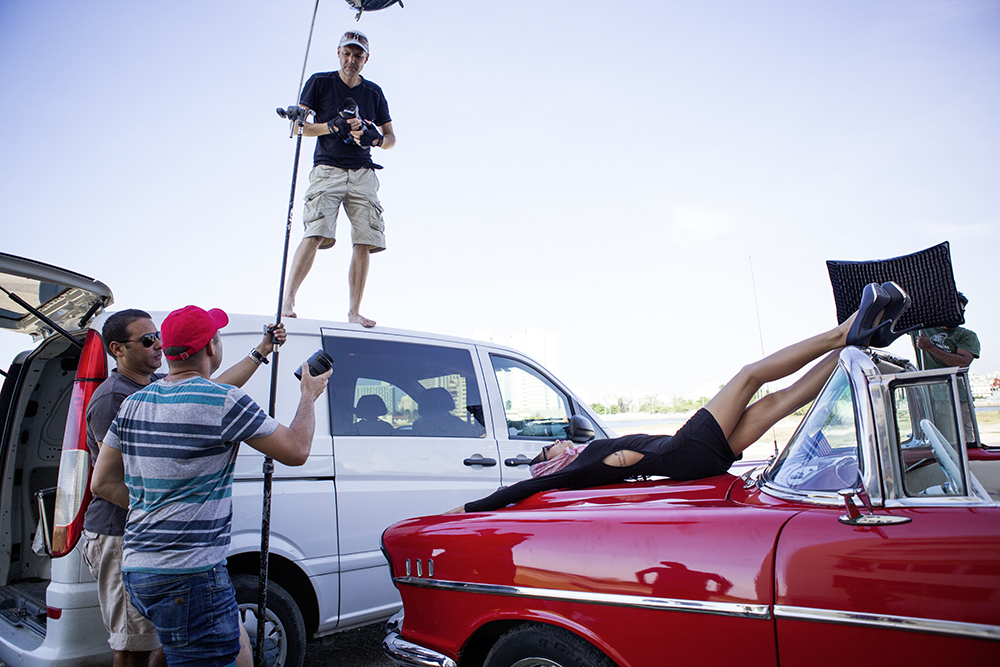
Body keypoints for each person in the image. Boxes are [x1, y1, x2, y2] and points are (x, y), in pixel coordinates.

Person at [449, 283, 904, 513]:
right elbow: (522, 488)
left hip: (693, 456)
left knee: (777, 402)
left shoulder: (588, 458)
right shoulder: (579, 466)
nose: (555, 443)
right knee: (749, 377)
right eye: (548, 450)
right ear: (555, 461)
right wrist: (466, 510)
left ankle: (854, 348)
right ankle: (843, 330)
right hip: (685, 449)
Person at [90, 306, 329, 667]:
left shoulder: (135, 403)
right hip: (190, 575)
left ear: (166, 350)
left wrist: (155, 505)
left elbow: (102, 482)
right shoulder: (222, 401)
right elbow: (296, 451)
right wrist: (308, 395)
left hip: (139, 569)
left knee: (203, 649)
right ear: (213, 348)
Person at [282, 29, 395, 327]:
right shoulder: (320, 82)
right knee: (315, 231)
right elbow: (297, 128)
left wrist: (373, 139)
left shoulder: (374, 92)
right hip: (328, 169)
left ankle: (354, 311)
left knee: (365, 240)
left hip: (363, 173)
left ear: (366, 59)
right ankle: (288, 300)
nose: (351, 59)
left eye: (358, 55)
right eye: (347, 53)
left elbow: (391, 138)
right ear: (338, 53)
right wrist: (331, 126)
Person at [911, 291, 981, 441]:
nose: (958, 315)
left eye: (961, 311)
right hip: (928, 397)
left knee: (964, 441)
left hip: (957, 397)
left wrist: (929, 347)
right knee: (932, 440)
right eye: (953, 310)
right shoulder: (922, 328)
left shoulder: (967, 335)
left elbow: (961, 363)